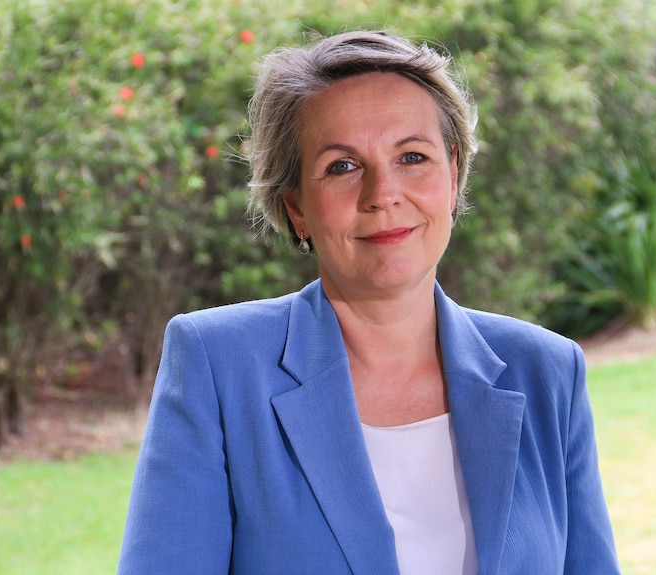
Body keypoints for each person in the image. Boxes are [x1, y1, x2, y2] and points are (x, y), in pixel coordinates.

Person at [117, 30, 621, 574]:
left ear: (452, 176)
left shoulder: (546, 371)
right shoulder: (218, 367)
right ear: (297, 209)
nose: (383, 193)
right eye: (342, 166)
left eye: (412, 156)